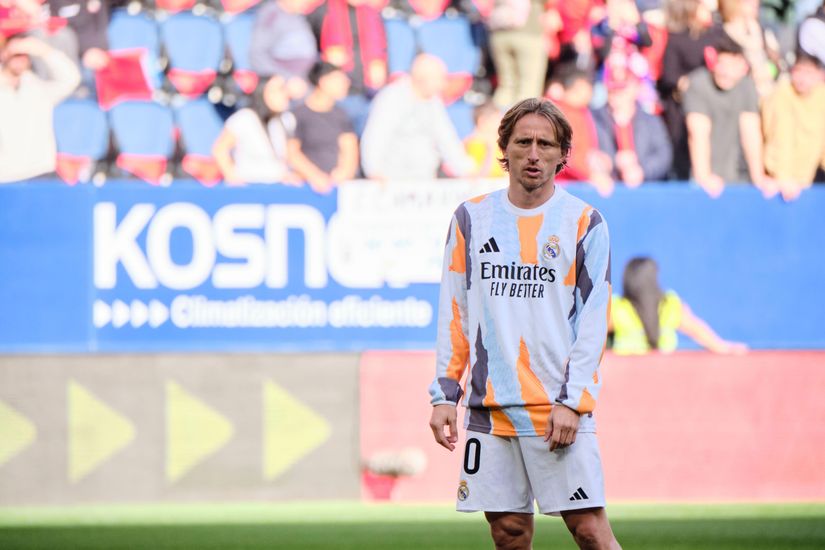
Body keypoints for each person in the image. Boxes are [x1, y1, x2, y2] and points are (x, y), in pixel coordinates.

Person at [428, 97, 621, 550]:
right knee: (508, 534)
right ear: (505, 148)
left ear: (561, 154)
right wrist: (444, 396)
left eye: (545, 144)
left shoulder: (585, 222)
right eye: (523, 142)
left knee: (590, 530)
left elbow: (594, 323)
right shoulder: (470, 218)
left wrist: (573, 402)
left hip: (555, 407)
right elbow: (454, 312)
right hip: (490, 409)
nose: (534, 153)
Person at [683, 33, 777, 198]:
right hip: (700, 183)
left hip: (736, 178)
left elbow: (751, 133)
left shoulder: (747, 86)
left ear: (744, 68)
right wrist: (703, 176)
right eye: (723, 65)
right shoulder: (698, 84)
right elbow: (698, 133)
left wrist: (758, 177)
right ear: (714, 63)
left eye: (734, 66)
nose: (727, 73)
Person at [360, 53, 474, 180]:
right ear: (421, 78)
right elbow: (376, 136)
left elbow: (447, 138)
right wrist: (373, 170)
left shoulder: (434, 102)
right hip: (391, 181)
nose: (443, 85)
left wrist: (465, 170)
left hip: (424, 180)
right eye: (439, 79)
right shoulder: (392, 97)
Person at [610, 257, 748, 355]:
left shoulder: (618, 307)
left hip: (629, 374)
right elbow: (697, 330)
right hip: (667, 372)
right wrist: (723, 347)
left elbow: (594, 336)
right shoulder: (670, 304)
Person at [0, 33, 80, 183]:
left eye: (25, 55)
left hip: (40, 172)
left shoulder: (39, 90)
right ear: (3, 54)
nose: (20, 59)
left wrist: (44, 51)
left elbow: (71, 78)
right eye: (15, 54)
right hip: (5, 175)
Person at [657, 0, 715, 180]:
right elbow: (668, 76)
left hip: (710, 104)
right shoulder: (677, 39)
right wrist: (690, 84)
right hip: (681, 108)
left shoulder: (715, 35)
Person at [212, 74, 298, 185]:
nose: (285, 95)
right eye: (279, 90)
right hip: (249, 186)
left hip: (277, 185)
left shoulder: (286, 119)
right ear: (262, 93)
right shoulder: (245, 118)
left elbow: (291, 154)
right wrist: (231, 176)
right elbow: (220, 149)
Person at [761, 52, 825, 200]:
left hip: (809, 179)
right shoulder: (781, 95)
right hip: (780, 183)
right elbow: (781, 138)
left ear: (820, 75)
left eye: (808, 73)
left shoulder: (821, 96)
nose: (802, 79)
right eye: (798, 71)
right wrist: (783, 177)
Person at [287, 60, 358, 193]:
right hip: (307, 185)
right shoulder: (299, 114)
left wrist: (344, 173)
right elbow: (292, 152)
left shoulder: (342, 115)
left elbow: (349, 149)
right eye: (339, 80)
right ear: (323, 81)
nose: (346, 83)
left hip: (337, 185)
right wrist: (315, 176)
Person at [592, 68, 672, 185]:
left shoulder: (651, 121)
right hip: (608, 187)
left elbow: (663, 155)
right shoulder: (594, 118)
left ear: (635, 89)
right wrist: (614, 161)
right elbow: (588, 153)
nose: (616, 94)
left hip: (644, 189)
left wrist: (642, 171)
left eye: (622, 89)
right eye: (612, 89)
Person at [546, 64, 615, 196]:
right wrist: (591, 175)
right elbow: (564, 155)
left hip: (577, 185)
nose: (591, 92)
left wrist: (599, 161)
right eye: (589, 87)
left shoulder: (582, 112)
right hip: (559, 188)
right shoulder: (557, 114)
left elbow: (585, 150)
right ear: (579, 86)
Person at [464, 101, 506, 178]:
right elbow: (478, 177)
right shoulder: (475, 144)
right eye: (497, 120)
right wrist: (491, 149)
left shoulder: (500, 144)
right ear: (482, 121)